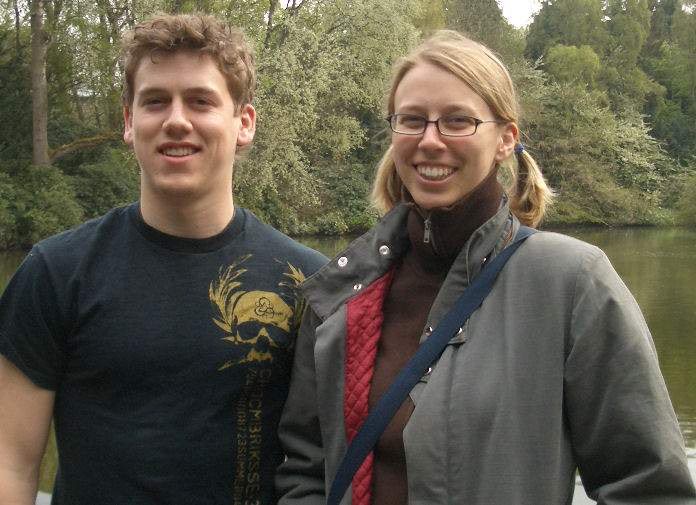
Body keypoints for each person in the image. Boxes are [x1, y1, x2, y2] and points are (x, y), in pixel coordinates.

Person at [275, 30, 696, 505]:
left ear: (505, 139)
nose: (430, 141)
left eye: (458, 121)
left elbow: (648, 487)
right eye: (412, 120)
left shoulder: (571, 282)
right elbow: (305, 470)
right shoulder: (344, 289)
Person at [0, 14, 326, 505]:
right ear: (129, 122)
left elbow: (322, 460)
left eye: (200, 101)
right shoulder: (56, 273)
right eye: (155, 101)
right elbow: (10, 463)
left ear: (244, 123)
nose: (176, 120)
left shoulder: (307, 281)